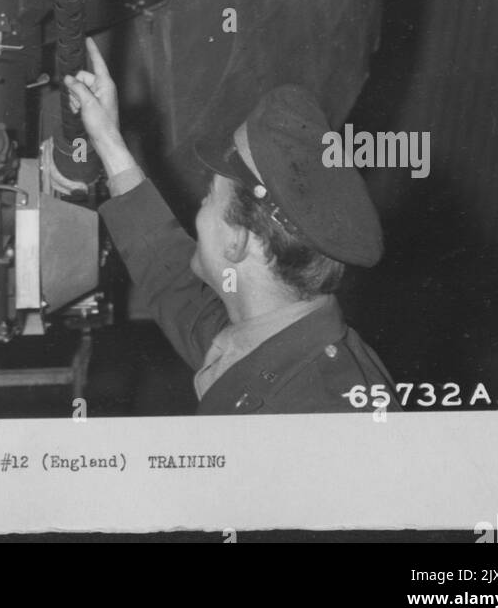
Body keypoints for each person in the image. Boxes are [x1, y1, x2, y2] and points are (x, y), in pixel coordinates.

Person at [64, 39, 399, 415]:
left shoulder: (326, 412)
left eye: (210, 195)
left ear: (238, 242)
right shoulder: (263, 331)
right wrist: (108, 138)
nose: (199, 208)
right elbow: (170, 277)